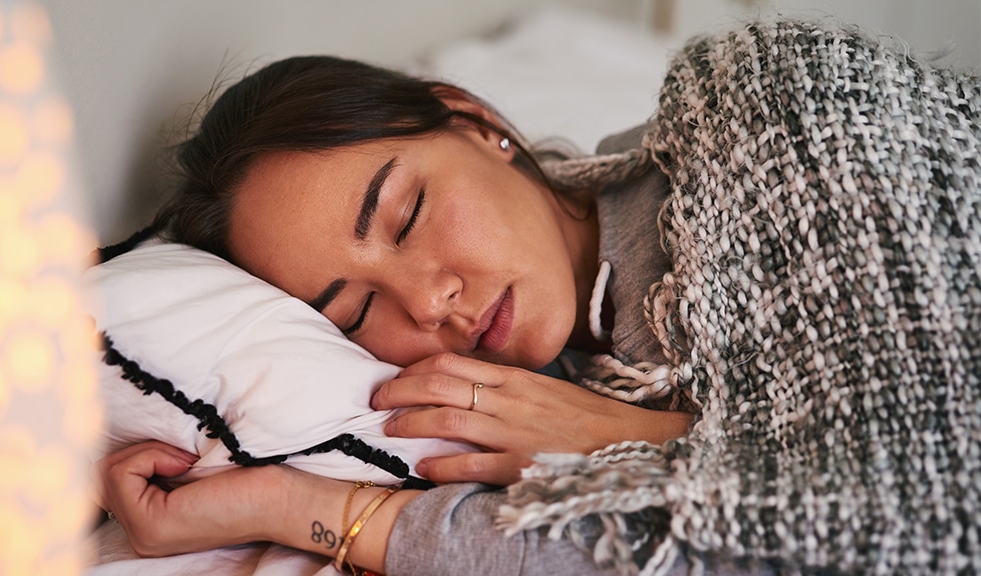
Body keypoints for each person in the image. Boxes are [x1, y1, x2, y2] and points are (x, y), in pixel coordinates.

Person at [94, 19, 981, 576]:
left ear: (476, 121)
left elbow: (944, 503)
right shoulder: (508, 422)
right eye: (358, 313)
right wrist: (276, 503)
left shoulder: (771, 117)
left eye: (404, 216)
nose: (429, 302)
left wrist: (621, 439)